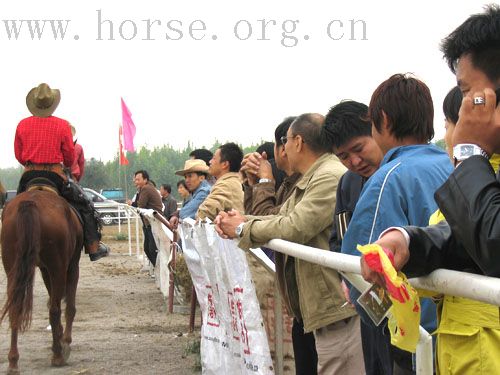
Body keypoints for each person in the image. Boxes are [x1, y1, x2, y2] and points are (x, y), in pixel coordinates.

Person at [369, 8, 500, 372]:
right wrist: (411, 243)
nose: (463, 112)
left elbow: (494, 241)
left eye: (468, 92)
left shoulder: (474, 162)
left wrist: (471, 155)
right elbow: (466, 242)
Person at [216, 114, 363, 375]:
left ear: (297, 141)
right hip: (316, 306)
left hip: (334, 307)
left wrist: (241, 227)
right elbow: (279, 217)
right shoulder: (310, 177)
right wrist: (243, 219)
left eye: (284, 141)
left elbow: (295, 225)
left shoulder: (328, 176)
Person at [340, 74, 453, 374]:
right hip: (461, 332)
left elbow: (360, 271)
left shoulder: (387, 180)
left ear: (384, 121)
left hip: (420, 343)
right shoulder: (454, 166)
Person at [241, 116, 318, 375]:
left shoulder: (310, 180)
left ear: (288, 145)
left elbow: (274, 224)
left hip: (313, 304)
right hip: (300, 304)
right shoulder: (289, 182)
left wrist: (264, 182)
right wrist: (253, 184)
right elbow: (267, 218)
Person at [323, 100, 387, 374]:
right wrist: (346, 277)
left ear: (376, 129)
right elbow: (339, 239)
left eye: (359, 149)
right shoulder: (347, 184)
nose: (355, 162)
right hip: (368, 301)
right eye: (344, 157)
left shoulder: (397, 175)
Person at [14, 83, 108, 261]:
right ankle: (93, 246)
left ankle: (10, 240)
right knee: (85, 204)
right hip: (55, 176)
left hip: (29, 176)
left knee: (10, 208)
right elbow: (69, 159)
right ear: (52, 104)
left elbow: (19, 155)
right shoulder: (63, 125)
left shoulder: (22, 125)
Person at [197, 142, 244, 220]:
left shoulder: (225, 185)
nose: (210, 162)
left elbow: (204, 213)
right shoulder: (232, 182)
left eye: (214, 158)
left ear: (224, 164)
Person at [128, 170, 163, 266]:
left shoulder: (146, 189)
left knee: (152, 249)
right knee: (148, 248)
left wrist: (133, 203)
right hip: (149, 222)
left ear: (145, 179)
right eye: (135, 180)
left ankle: (161, 270)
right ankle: (158, 270)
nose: (136, 182)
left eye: (138, 180)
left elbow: (140, 205)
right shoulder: (145, 188)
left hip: (153, 222)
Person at [169, 159, 211, 227]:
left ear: (201, 178)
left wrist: (177, 214)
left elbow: (185, 213)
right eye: (185, 177)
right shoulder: (195, 192)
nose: (187, 180)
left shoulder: (204, 192)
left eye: (190, 176)